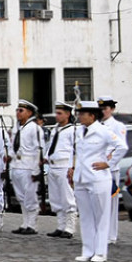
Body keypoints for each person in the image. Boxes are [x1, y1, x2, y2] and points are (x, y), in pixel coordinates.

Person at [71, 100, 118, 262]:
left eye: (82, 114)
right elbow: (76, 152)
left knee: (101, 216)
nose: (80, 117)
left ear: (92, 116)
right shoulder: (79, 131)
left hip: (98, 177)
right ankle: (87, 250)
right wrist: (73, 168)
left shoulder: (102, 131)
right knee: (85, 216)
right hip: (81, 177)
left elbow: (121, 146)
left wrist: (109, 163)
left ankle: (100, 251)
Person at [43, 102, 79, 238]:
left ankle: (69, 227)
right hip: (53, 165)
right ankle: (60, 225)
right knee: (55, 198)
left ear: (68, 114)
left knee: (67, 197)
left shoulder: (73, 130)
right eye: (56, 113)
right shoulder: (55, 129)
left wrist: (72, 166)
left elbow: (76, 150)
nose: (57, 116)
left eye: (60, 113)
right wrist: (46, 157)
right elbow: (52, 146)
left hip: (64, 166)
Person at [10, 101, 46, 235]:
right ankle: (25, 222)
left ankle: (32, 224)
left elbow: (39, 149)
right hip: (17, 165)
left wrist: (36, 170)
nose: (18, 113)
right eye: (17, 110)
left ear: (30, 113)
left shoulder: (34, 128)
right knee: (21, 196)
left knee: (30, 196)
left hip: (29, 166)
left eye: (21, 111)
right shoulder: (17, 127)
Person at [97, 97, 126, 246]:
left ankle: (111, 235)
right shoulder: (97, 125)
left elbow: (120, 146)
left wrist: (109, 162)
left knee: (111, 203)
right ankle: (100, 232)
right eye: (101, 109)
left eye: (105, 108)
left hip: (110, 168)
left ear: (112, 109)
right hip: (97, 168)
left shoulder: (117, 125)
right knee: (99, 203)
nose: (103, 111)